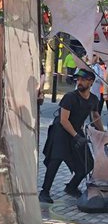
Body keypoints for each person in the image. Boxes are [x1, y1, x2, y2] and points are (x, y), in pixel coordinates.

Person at [39, 66, 104, 202]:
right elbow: (63, 120)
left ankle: (71, 187)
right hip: (61, 131)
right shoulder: (70, 97)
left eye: (83, 80)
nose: (79, 82)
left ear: (91, 82)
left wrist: (103, 134)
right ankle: (44, 192)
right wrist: (76, 136)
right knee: (56, 160)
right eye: (78, 79)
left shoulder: (93, 99)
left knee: (88, 163)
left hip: (76, 131)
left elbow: (95, 114)